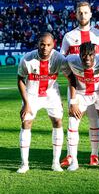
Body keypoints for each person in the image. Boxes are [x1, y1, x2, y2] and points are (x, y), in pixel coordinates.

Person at [60, 1, 99, 167]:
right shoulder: (69, 37)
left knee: (95, 122)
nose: (83, 15)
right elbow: (62, 61)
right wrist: (72, 89)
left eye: (86, 12)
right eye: (80, 12)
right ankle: (71, 156)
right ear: (76, 15)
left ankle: (95, 155)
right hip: (78, 90)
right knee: (73, 121)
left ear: (91, 14)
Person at [17, 32, 65, 173]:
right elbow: (20, 79)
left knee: (58, 122)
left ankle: (55, 163)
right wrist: (26, 103)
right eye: (42, 44)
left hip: (51, 94)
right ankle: (24, 164)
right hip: (31, 94)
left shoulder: (59, 58)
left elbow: (70, 77)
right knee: (26, 123)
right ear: (38, 44)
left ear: (53, 45)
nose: (45, 47)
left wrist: (68, 99)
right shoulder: (27, 59)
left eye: (48, 45)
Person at [62, 42, 99, 171]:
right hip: (80, 94)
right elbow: (69, 77)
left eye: (90, 55)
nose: (87, 58)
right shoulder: (71, 60)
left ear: (95, 54)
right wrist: (73, 102)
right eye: (84, 55)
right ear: (79, 55)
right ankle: (74, 161)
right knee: (72, 123)